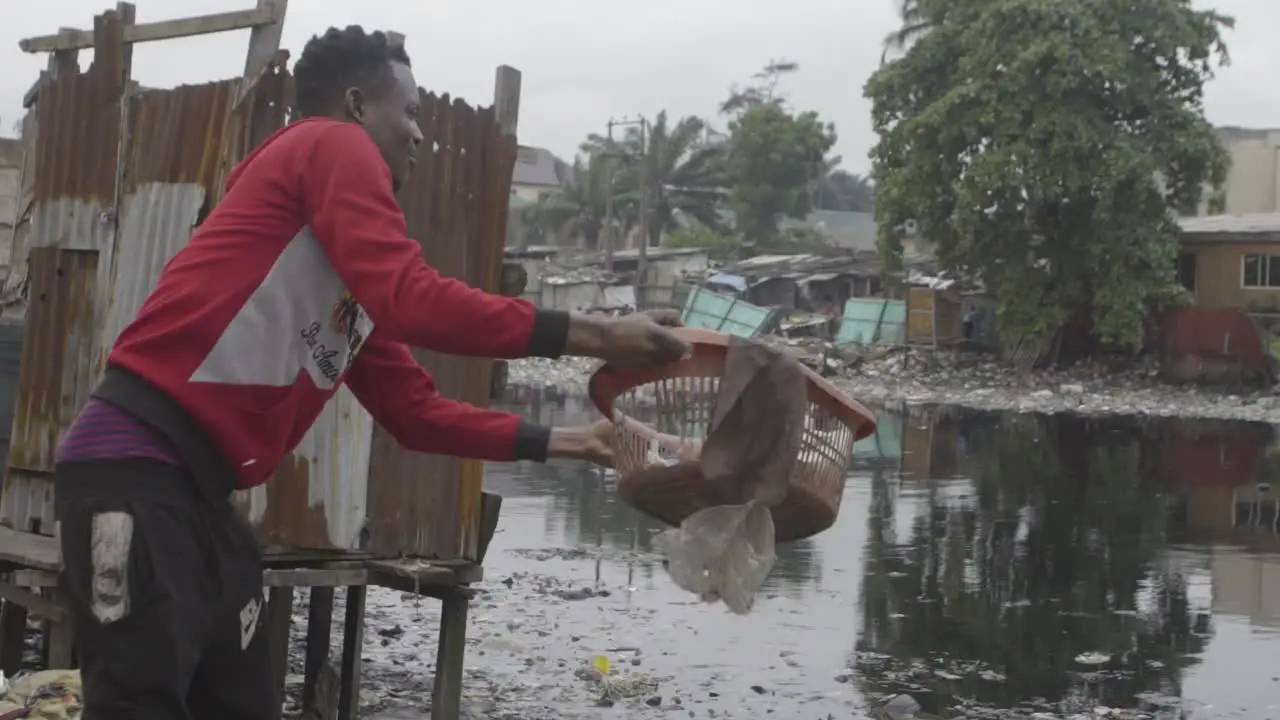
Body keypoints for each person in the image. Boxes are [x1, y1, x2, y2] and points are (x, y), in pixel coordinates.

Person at [53, 25, 688, 720]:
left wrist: (574, 443)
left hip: (200, 497)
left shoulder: (349, 294)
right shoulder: (329, 142)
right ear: (358, 105)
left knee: (241, 701)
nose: (419, 135)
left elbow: (415, 413)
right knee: (138, 704)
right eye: (410, 113)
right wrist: (595, 332)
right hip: (132, 470)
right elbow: (412, 297)